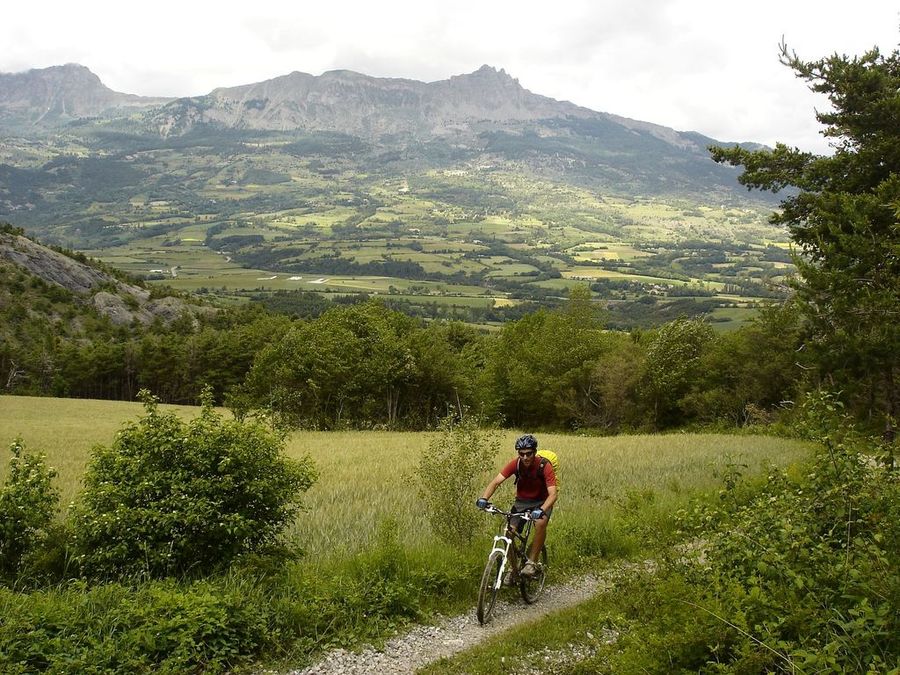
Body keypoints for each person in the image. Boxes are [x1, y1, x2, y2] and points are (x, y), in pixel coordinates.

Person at [476, 434, 557, 577]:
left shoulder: (545, 466)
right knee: (508, 532)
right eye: (521, 454)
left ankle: (531, 562)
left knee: (540, 523)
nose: (525, 457)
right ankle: (512, 571)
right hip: (521, 503)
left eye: (529, 453)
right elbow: (496, 482)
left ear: (535, 452)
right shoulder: (516, 464)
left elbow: (553, 494)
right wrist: (484, 498)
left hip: (541, 502)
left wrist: (542, 509)